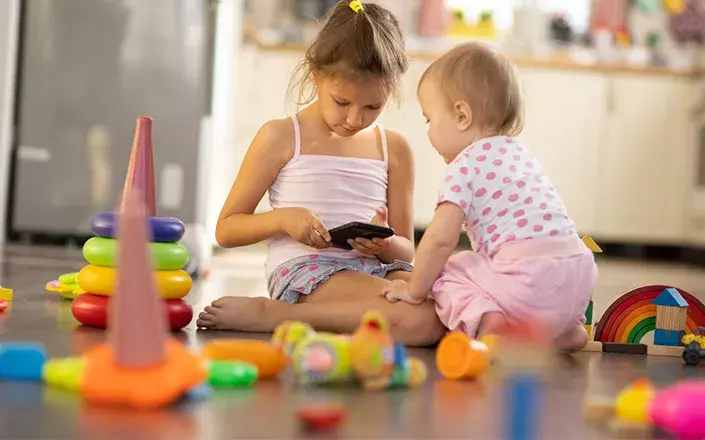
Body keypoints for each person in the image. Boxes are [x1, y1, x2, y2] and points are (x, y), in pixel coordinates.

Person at [196, 0, 446, 346]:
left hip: (379, 270)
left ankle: (321, 323)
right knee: (422, 318)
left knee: (445, 308)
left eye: (373, 106)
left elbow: (407, 252)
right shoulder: (282, 136)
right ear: (315, 74)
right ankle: (274, 314)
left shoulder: (395, 149)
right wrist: (284, 220)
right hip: (308, 273)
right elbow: (226, 229)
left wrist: (385, 245)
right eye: (342, 102)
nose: (355, 119)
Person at [381, 42, 597, 351]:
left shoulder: (464, 166)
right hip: (578, 275)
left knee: (447, 272)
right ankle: (564, 334)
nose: (428, 131)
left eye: (429, 119)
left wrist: (415, 290)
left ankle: (488, 321)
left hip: (530, 278)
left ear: (461, 115)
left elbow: (439, 240)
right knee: (490, 267)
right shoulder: (520, 154)